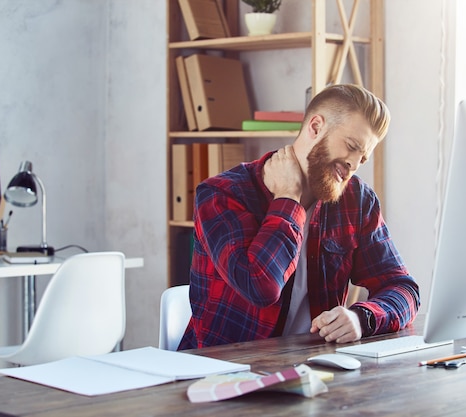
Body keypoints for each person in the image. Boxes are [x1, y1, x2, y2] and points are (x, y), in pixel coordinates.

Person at [178, 84, 420, 349]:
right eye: (351, 146)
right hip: (225, 372)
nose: (353, 164)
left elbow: (403, 288)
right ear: (315, 127)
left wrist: (361, 318)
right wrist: (288, 198)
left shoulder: (357, 200)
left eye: (362, 158)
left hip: (315, 369)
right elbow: (261, 286)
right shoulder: (222, 194)